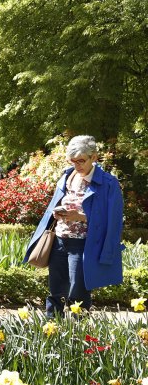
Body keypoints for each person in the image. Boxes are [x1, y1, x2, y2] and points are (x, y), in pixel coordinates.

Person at [24, 135, 124, 317]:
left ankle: (79, 340)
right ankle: (51, 332)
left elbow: (114, 221)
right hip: (60, 241)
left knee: (77, 294)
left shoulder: (109, 183)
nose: (77, 166)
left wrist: (80, 216)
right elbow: (58, 202)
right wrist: (58, 212)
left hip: (83, 244)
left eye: (81, 161)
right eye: (73, 161)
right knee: (55, 292)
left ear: (94, 157)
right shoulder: (67, 176)